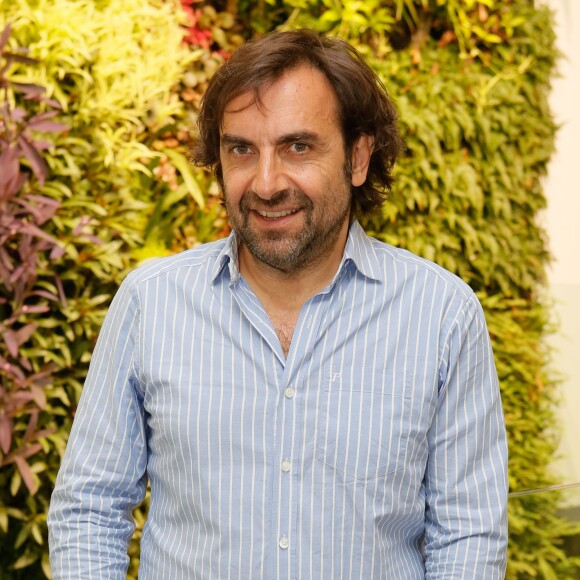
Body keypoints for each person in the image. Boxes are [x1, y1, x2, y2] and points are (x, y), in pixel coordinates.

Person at [48, 29, 508, 579]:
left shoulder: (441, 316)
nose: (265, 183)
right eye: (241, 149)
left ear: (358, 157)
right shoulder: (151, 304)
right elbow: (89, 511)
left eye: (298, 146)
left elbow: (468, 536)